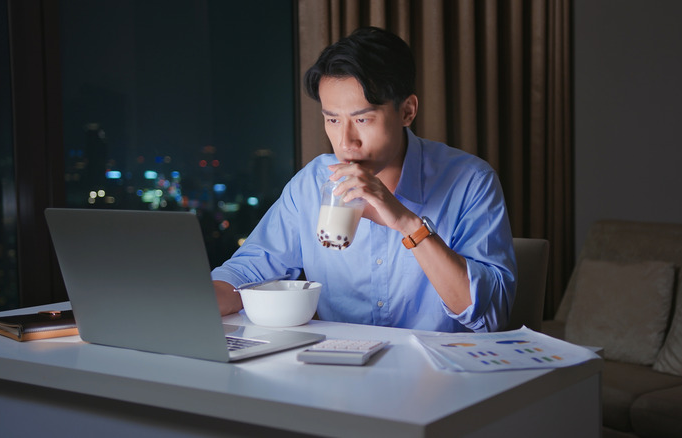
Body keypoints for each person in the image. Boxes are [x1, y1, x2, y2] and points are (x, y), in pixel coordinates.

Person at [211, 26, 516, 332]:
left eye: (362, 119)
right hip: (338, 373)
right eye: (332, 120)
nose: (345, 141)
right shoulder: (312, 183)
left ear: (407, 111)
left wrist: (406, 224)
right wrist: (188, 299)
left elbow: (492, 316)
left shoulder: (470, 182)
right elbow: (248, 271)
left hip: (439, 374)